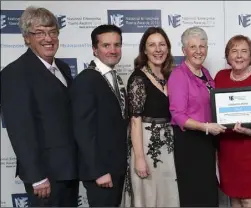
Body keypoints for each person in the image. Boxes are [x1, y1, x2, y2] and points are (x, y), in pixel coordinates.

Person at [0, 6, 78, 207]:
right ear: (27, 38)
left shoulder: (62, 67)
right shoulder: (15, 73)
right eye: (40, 33)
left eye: (53, 32)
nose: (48, 38)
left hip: (69, 170)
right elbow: (20, 129)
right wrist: (37, 176)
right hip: (45, 176)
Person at [167, 26, 226, 207]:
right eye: (193, 47)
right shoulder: (179, 75)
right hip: (189, 143)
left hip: (206, 142)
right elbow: (177, 114)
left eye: (202, 46)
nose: (198, 51)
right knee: (194, 194)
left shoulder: (206, 74)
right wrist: (205, 127)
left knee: (208, 192)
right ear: (184, 50)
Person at [70, 24, 128, 207]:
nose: (113, 50)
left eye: (117, 45)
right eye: (106, 45)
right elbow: (83, 130)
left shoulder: (114, 78)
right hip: (101, 172)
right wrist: (98, 171)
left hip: (116, 168)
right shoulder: (86, 79)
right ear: (95, 49)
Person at [122, 27, 179, 207]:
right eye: (152, 45)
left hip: (169, 145)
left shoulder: (171, 76)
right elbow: (135, 120)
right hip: (146, 145)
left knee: (167, 194)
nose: (158, 49)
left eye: (162, 44)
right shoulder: (138, 78)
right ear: (144, 50)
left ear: (168, 48)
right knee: (147, 193)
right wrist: (139, 158)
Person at [214, 35, 251, 208]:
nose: (239, 56)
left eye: (244, 51)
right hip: (227, 147)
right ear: (228, 56)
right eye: (234, 51)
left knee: (248, 198)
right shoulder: (220, 77)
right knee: (233, 196)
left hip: (250, 147)